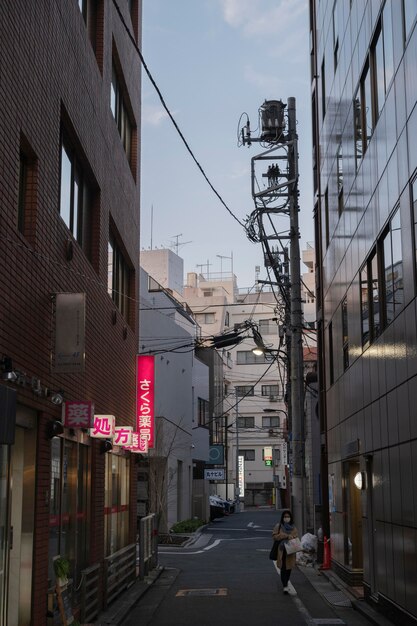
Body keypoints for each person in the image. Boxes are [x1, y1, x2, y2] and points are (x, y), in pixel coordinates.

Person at [272, 509, 299, 594]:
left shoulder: (293, 527)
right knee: (283, 568)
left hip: (290, 551)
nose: (286, 518)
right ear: (282, 518)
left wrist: (292, 537)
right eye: (285, 517)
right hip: (282, 551)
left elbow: (296, 536)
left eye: (288, 516)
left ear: (291, 518)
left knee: (289, 569)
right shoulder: (279, 526)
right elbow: (274, 536)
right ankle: (285, 586)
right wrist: (284, 535)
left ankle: (286, 582)